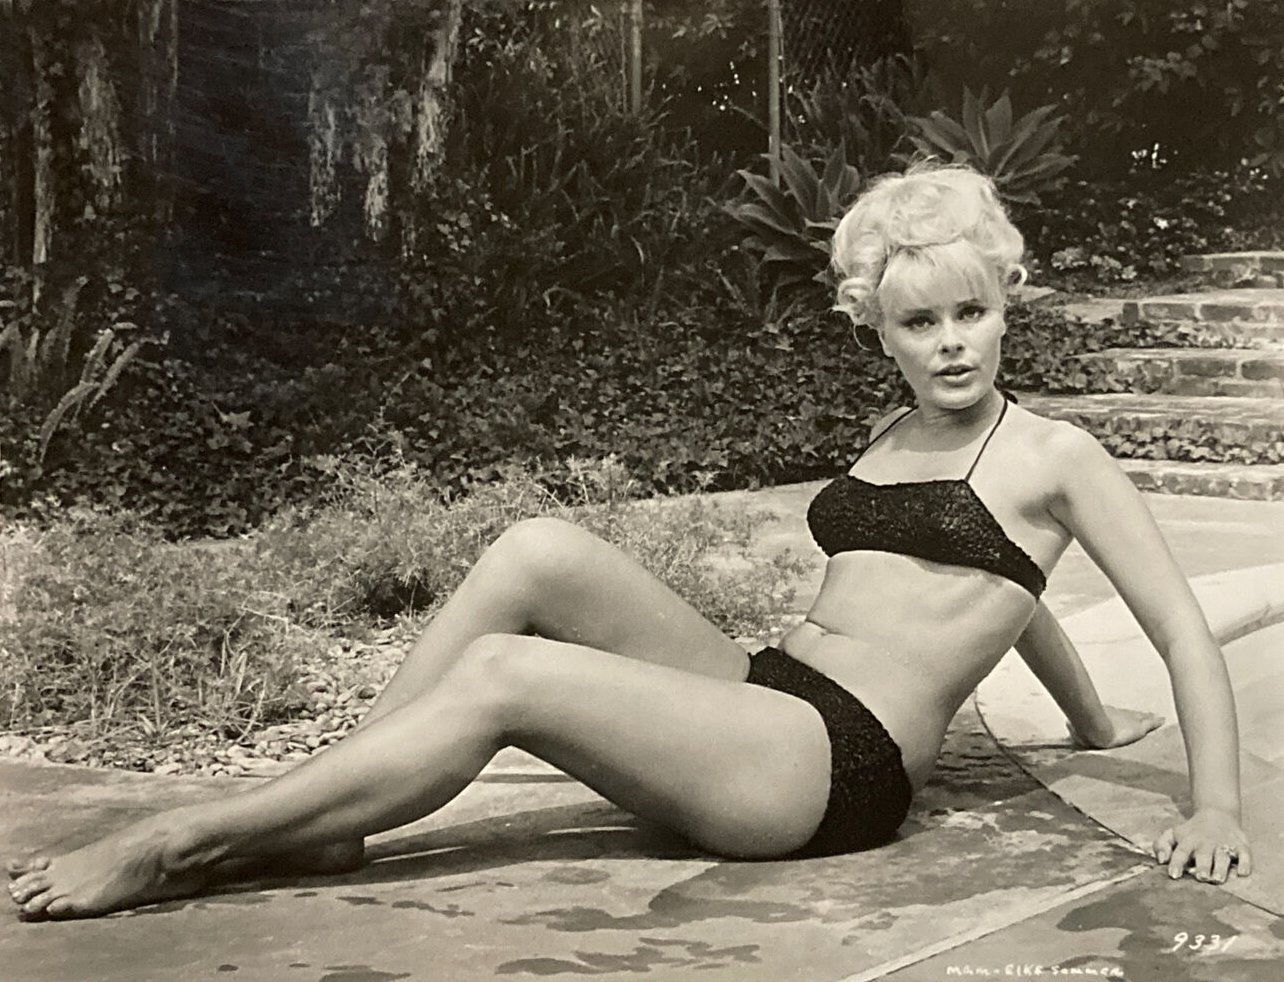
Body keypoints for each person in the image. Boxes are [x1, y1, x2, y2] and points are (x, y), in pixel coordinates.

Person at [6, 162, 1251, 920]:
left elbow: (1181, 631)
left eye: (971, 311)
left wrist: (1214, 804)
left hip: (834, 768)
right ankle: (328, 807)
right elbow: (1011, 591)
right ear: (875, 328)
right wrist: (1089, 722)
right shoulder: (897, 425)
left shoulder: (1057, 454)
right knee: (538, 548)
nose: (952, 343)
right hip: (772, 692)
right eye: (919, 321)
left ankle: (187, 839)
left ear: (1006, 304)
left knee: (510, 676)